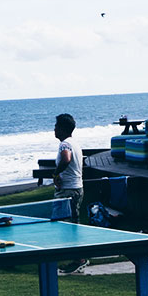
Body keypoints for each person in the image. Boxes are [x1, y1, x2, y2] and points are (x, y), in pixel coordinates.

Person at [53, 114, 87, 274]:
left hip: (69, 191)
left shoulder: (65, 144)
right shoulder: (74, 143)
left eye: (56, 125)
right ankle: (76, 257)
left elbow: (66, 159)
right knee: (70, 225)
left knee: (68, 227)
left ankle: (79, 259)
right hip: (76, 188)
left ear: (62, 128)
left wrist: (55, 174)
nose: (54, 128)